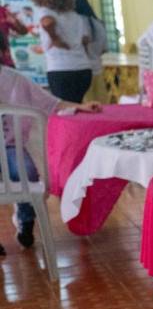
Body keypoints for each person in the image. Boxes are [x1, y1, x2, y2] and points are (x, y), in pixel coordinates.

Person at [1, 64, 99, 254]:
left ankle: (25, 221)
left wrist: (79, 106)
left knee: (27, 172)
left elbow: (48, 102)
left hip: (10, 146)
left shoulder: (14, 79)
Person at [26, 0, 93, 103]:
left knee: (66, 110)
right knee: (77, 106)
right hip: (83, 69)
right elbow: (85, 40)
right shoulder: (74, 15)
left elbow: (47, 22)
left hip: (62, 70)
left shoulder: (45, 11)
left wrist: (55, 38)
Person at [72, 0, 108, 101]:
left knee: (86, 105)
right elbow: (104, 50)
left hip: (83, 71)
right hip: (98, 69)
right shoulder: (98, 23)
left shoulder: (77, 22)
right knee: (101, 104)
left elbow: (83, 46)